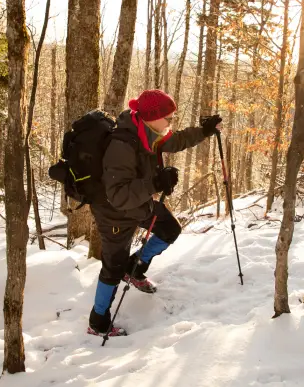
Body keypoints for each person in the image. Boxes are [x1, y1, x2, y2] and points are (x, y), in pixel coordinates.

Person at [88, 89, 222, 337]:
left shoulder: (150, 132)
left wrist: (204, 131)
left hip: (137, 203)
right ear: (151, 116)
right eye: (168, 118)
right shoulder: (122, 143)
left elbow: (177, 141)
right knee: (112, 267)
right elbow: (118, 195)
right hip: (114, 213)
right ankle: (97, 322)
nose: (171, 123)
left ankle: (135, 268)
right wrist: (156, 184)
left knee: (169, 229)